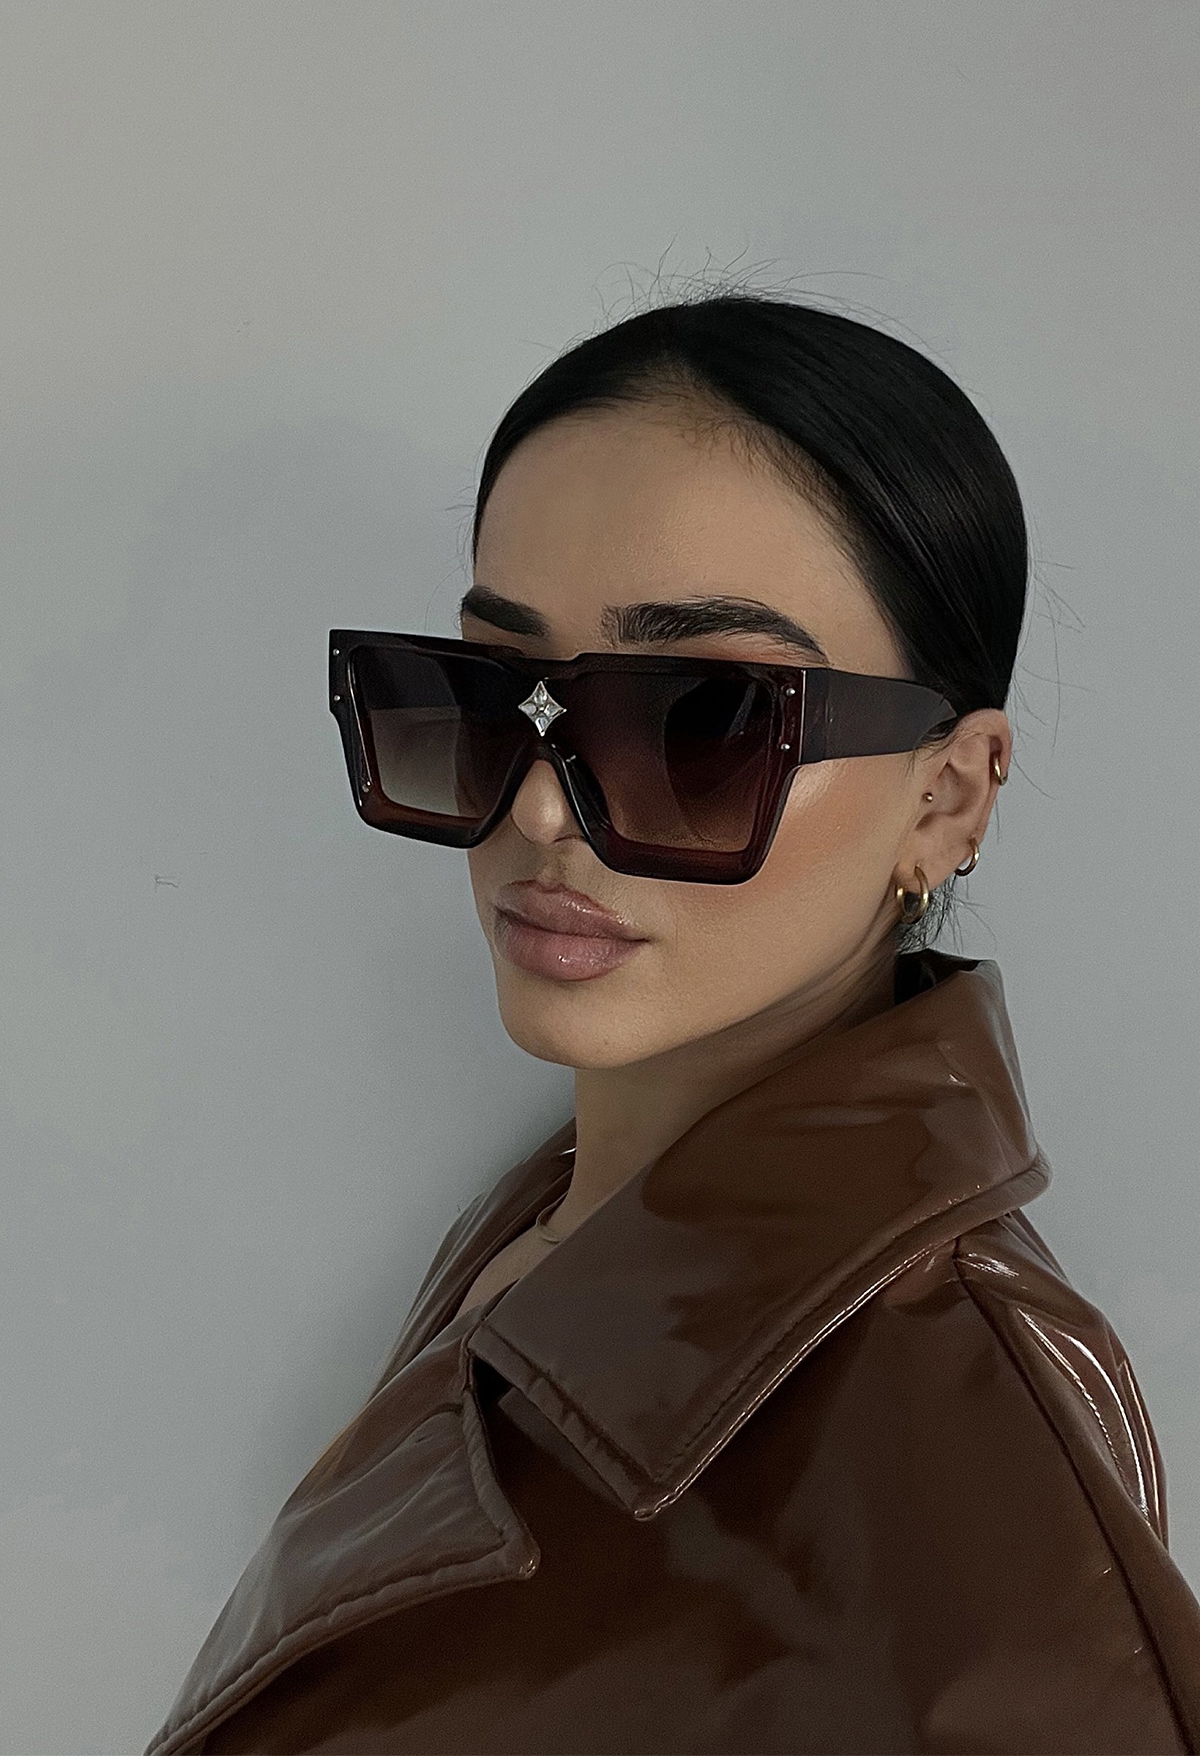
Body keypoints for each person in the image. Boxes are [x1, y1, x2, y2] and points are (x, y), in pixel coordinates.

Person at [147, 292, 1200, 1755]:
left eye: (702, 720)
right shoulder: (565, 1201)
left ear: (945, 797)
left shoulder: (983, 1501)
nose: (536, 810)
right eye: (488, 694)